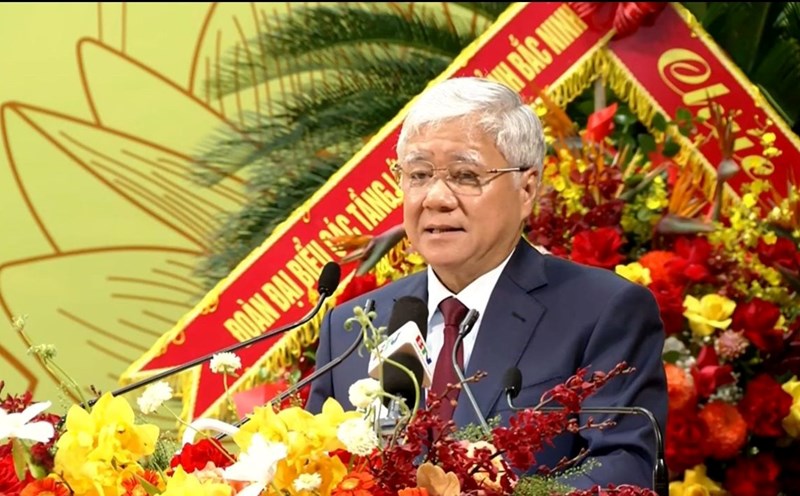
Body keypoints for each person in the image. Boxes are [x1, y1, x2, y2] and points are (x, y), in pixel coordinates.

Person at [306, 76, 667, 490]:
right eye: (419, 174)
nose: (435, 198)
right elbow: (319, 467)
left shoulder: (602, 311)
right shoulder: (351, 328)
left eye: (465, 175)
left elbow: (625, 469)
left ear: (526, 189)